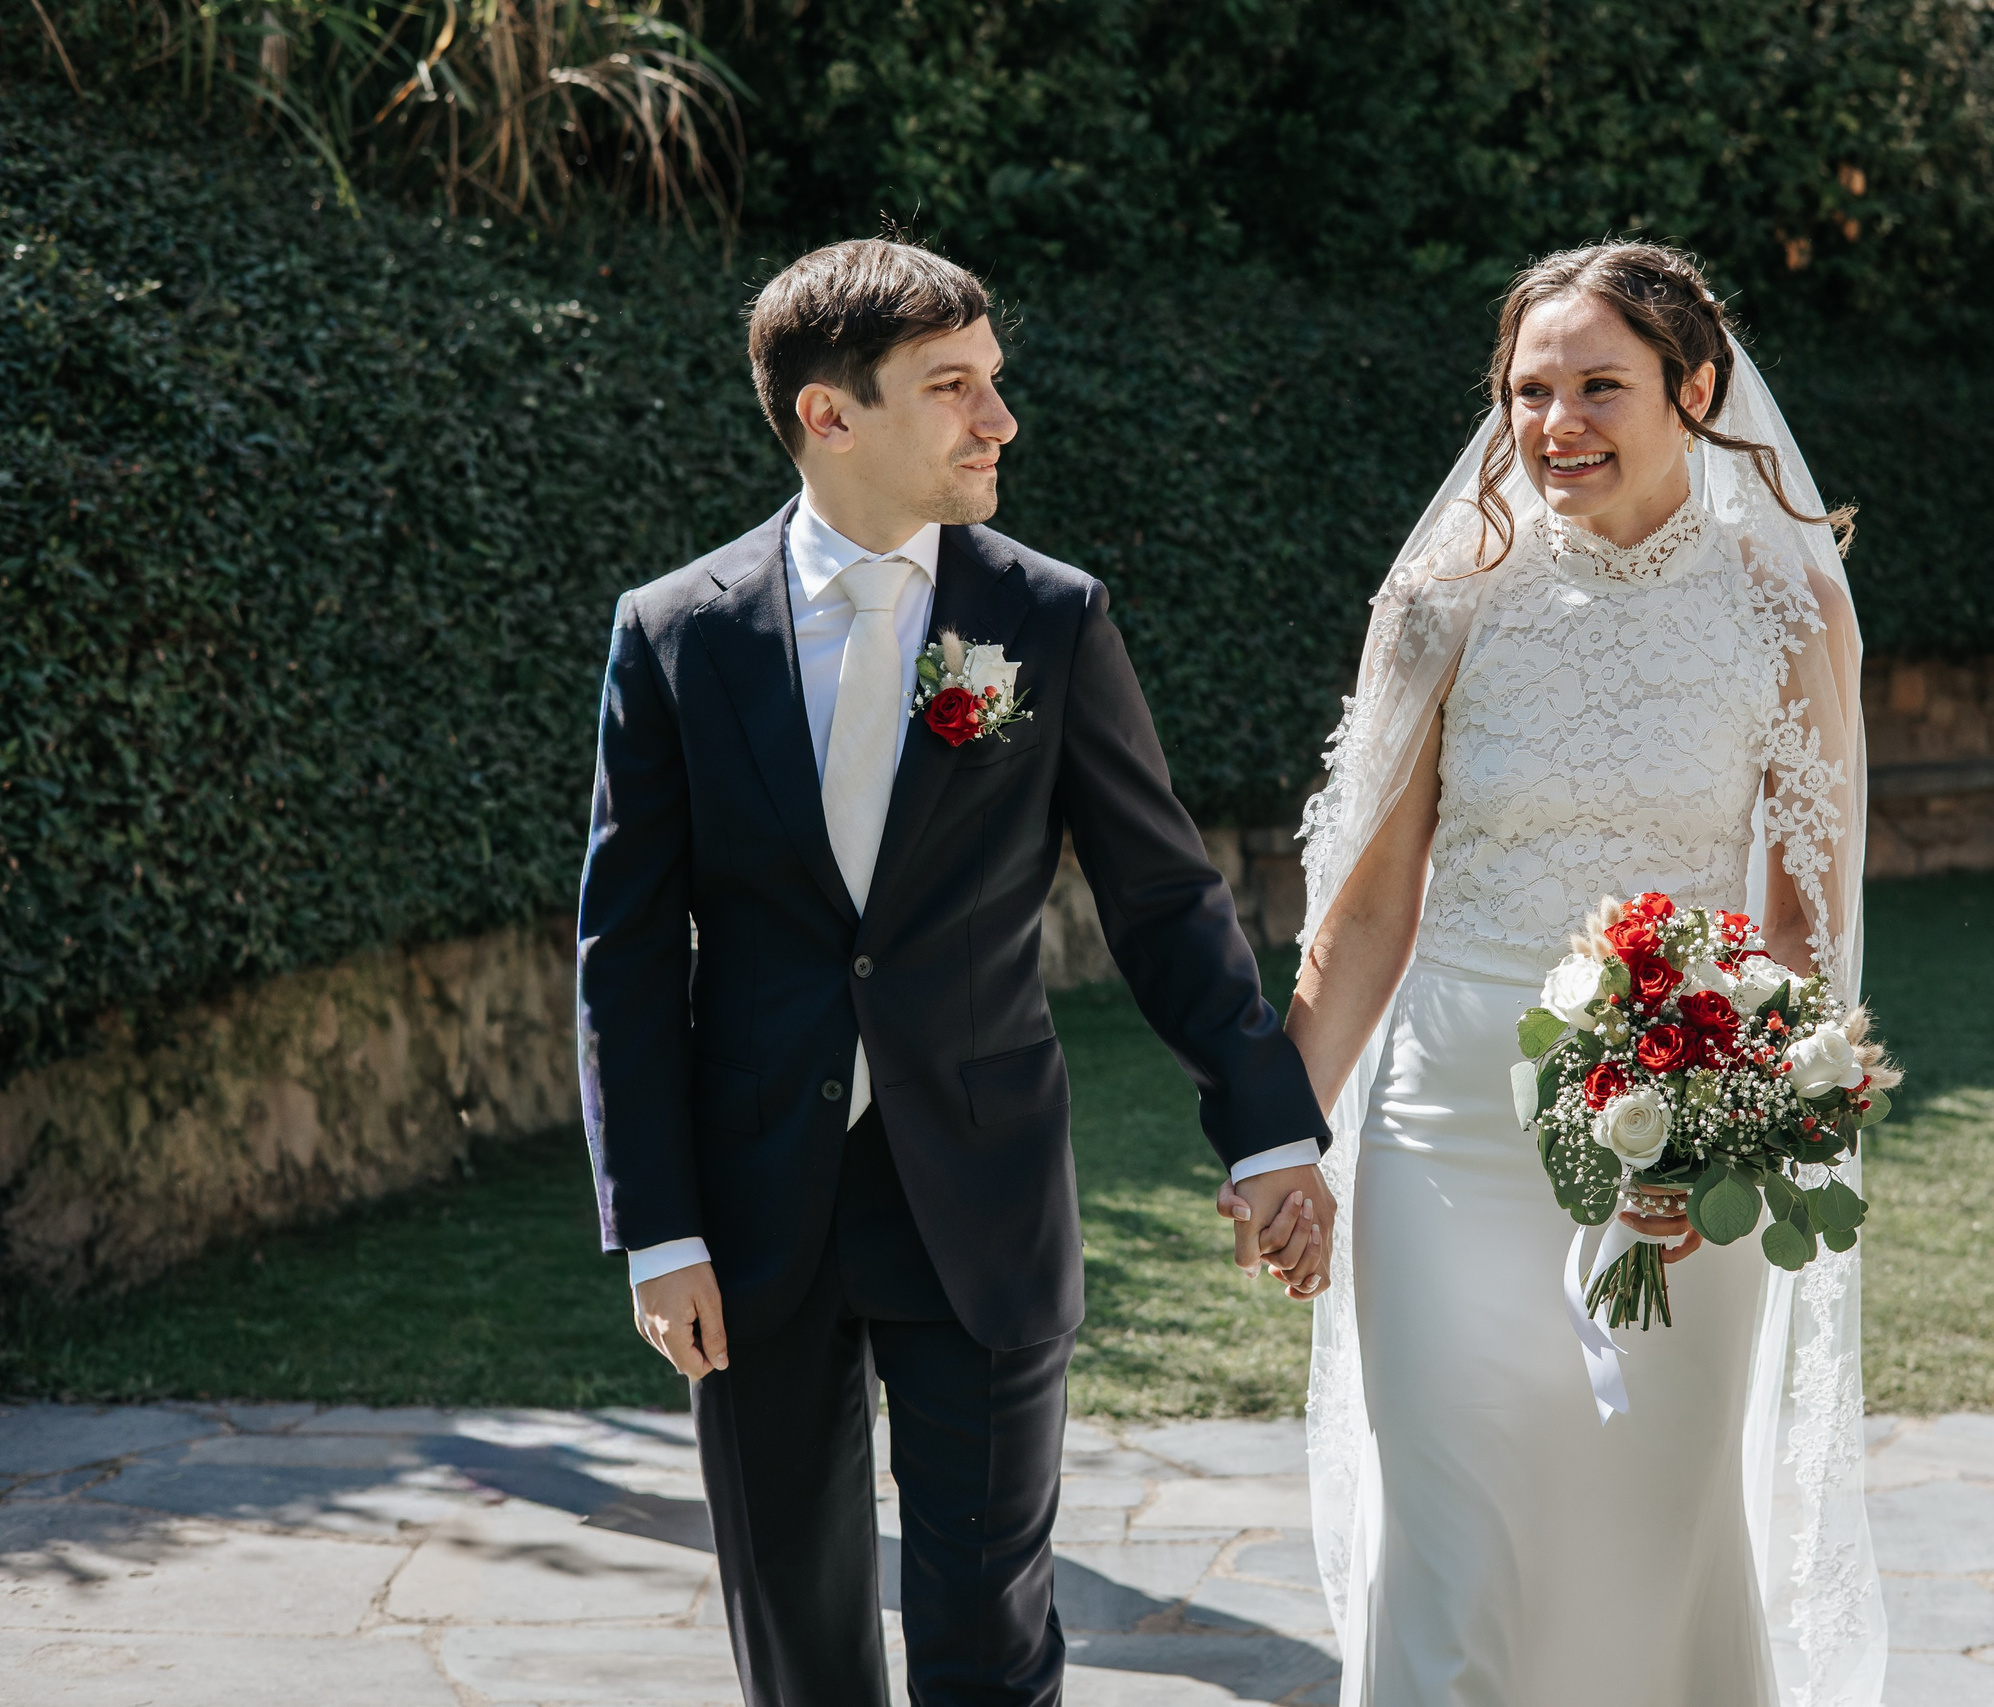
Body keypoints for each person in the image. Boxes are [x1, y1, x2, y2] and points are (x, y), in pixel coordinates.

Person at [575, 237, 1336, 1707]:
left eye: (994, 383)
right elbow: (622, 954)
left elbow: (1165, 897)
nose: (999, 420)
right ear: (829, 414)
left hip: (978, 1191)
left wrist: (1263, 1127)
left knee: (988, 1625)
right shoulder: (673, 636)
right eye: (954, 389)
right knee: (795, 1626)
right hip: (749, 1208)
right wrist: (657, 1231)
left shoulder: (1049, 616)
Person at [1233, 242, 1887, 1706]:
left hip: (1673, 1154)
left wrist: (1724, 1137)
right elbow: (1366, 911)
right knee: (1453, 1553)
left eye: (1600, 385)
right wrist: (1284, 1139)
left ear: (1695, 390)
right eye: (1530, 390)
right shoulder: (1444, 603)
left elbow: (1798, 936)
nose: (1556, 424)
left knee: (1645, 1551)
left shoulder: (1788, 606)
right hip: (1444, 1128)